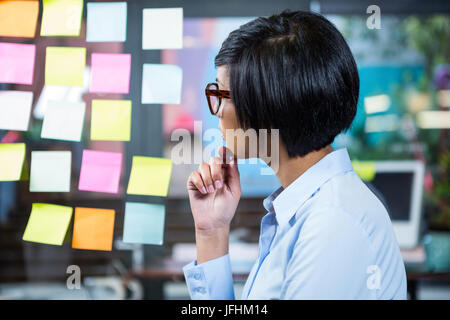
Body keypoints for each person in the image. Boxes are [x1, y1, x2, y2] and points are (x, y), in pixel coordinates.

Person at [182, 9, 407, 299]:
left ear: (268, 108)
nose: (218, 112)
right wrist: (211, 232)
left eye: (222, 95)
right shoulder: (308, 208)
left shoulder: (332, 224)